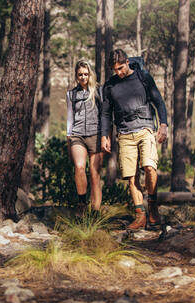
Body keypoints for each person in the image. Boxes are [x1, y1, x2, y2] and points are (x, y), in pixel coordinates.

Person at [101, 49, 168, 229]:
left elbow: (159, 102)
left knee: (149, 167)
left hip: (145, 127)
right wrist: (104, 135)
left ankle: (153, 206)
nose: (119, 72)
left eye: (121, 68)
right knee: (131, 176)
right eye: (115, 69)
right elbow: (106, 113)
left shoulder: (143, 77)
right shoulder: (110, 85)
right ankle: (140, 215)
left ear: (128, 62)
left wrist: (163, 124)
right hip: (124, 133)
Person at [66, 60, 103, 214]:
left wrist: (105, 135)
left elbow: (105, 114)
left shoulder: (99, 91)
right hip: (77, 134)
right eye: (80, 74)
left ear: (90, 74)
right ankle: (82, 204)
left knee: (94, 174)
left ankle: (95, 212)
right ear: (76, 75)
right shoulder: (71, 94)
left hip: (96, 134)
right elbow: (70, 116)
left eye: (86, 74)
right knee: (80, 167)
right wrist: (69, 135)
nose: (83, 77)